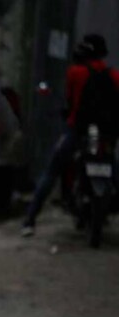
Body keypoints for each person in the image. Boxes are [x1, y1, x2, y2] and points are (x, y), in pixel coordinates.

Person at [22, 34, 119, 236]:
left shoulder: (76, 72)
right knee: (114, 170)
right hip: (106, 135)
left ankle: (30, 220)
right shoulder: (114, 75)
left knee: (51, 171)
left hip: (78, 131)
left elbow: (70, 101)